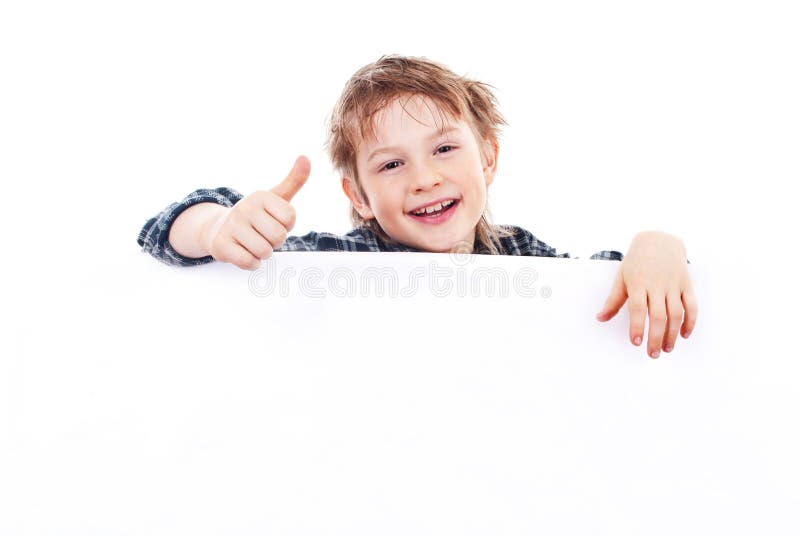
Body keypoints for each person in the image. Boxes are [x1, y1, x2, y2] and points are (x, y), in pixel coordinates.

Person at [137, 54, 697, 359]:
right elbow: (158, 234)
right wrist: (214, 228)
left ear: (489, 161)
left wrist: (656, 248)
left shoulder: (520, 254)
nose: (425, 179)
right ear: (357, 196)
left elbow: (605, 287)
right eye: (391, 164)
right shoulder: (340, 261)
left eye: (446, 149)